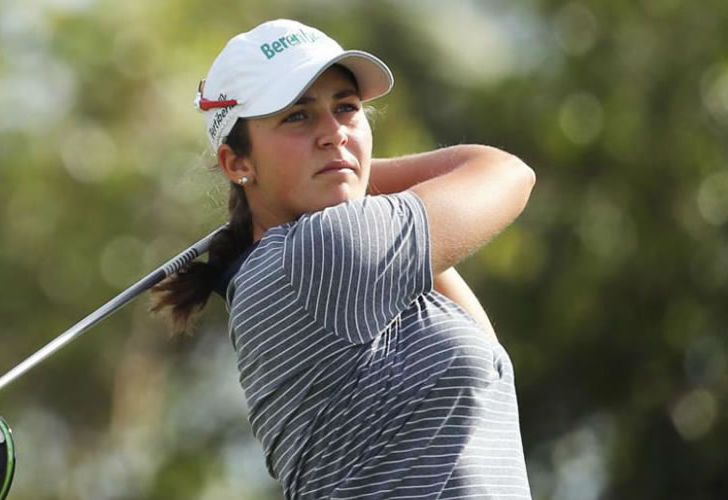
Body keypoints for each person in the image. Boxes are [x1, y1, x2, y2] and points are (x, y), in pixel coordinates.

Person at [152, 19, 535, 499]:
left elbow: (487, 361)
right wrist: (353, 167)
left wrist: (346, 169)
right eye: (297, 116)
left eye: (346, 108)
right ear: (237, 163)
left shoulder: (327, 264)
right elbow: (505, 172)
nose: (333, 133)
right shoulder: (318, 253)